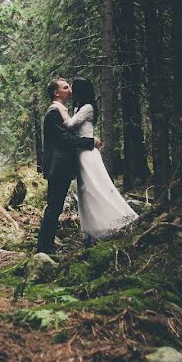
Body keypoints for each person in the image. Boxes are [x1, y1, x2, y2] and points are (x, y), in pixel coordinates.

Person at [57, 77, 138, 240]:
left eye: (73, 88)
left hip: (88, 154)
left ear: (81, 90)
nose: (71, 91)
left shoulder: (87, 108)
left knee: (96, 188)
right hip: (81, 154)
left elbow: (71, 125)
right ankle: (92, 230)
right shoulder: (79, 107)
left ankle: (118, 219)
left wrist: (59, 109)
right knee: (85, 192)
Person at [36, 78, 101, 254]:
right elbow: (64, 139)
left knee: (55, 206)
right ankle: (44, 247)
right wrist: (90, 142)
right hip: (57, 167)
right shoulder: (53, 113)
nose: (70, 90)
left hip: (62, 167)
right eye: (65, 88)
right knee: (54, 206)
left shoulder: (62, 112)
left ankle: (46, 243)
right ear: (57, 93)